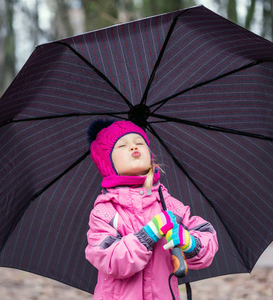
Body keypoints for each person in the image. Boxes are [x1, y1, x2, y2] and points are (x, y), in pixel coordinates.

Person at [85, 120, 219, 300]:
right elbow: (111, 261)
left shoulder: (168, 204)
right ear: (108, 163)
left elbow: (206, 237)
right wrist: (148, 235)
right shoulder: (105, 212)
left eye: (139, 142)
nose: (133, 147)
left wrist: (189, 242)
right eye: (123, 145)